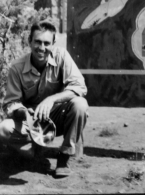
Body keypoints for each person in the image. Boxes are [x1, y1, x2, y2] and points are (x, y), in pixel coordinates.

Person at [0, 20, 89, 177]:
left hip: (56, 117)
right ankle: (28, 152)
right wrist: (25, 114)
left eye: (47, 43)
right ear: (30, 41)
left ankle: (64, 155)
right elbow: (10, 104)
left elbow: (79, 87)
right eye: (37, 42)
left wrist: (51, 99)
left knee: (80, 105)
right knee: (3, 129)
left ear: (53, 43)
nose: (41, 48)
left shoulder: (61, 56)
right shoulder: (17, 67)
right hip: (29, 120)